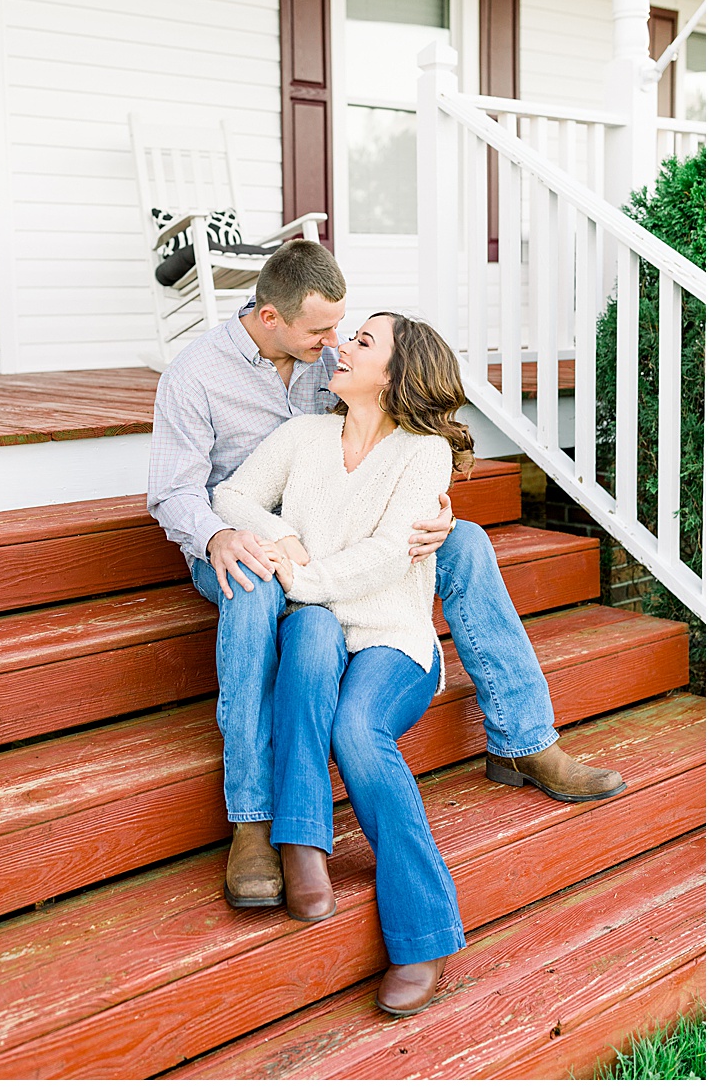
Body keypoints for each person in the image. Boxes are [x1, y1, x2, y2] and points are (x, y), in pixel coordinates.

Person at [145, 239, 623, 914]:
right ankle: (252, 821)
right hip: (234, 537)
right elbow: (174, 494)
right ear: (269, 316)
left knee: (467, 542)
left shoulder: (326, 362)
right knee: (254, 590)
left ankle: (523, 741)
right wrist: (232, 535)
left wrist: (431, 510)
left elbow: (393, 431)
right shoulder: (195, 375)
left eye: (345, 330)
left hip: (339, 533)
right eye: (322, 330)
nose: (335, 342)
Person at [212, 312, 471, 1015]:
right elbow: (230, 496)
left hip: (392, 640)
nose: (341, 347)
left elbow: (393, 553)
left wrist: (300, 578)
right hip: (323, 626)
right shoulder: (302, 437)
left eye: (362, 342)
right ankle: (302, 843)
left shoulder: (422, 453)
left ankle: (424, 936)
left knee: (358, 730)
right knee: (308, 639)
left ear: (397, 371)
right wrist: (282, 532)